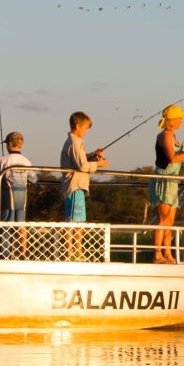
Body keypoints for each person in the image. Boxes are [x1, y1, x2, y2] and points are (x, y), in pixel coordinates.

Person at [148, 104, 184, 264]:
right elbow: (173, 158)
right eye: (180, 118)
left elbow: (178, 156)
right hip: (164, 179)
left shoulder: (172, 135)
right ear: (172, 120)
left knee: (170, 221)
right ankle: (157, 254)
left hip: (173, 180)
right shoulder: (165, 136)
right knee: (163, 219)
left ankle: (167, 253)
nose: (182, 121)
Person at [60, 111, 109, 261]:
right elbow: (82, 165)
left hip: (78, 185)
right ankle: (71, 252)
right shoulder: (75, 142)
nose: (87, 131)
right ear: (78, 126)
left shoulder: (75, 142)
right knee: (73, 220)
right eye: (86, 128)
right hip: (75, 185)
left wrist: (93, 155)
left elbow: (80, 160)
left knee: (78, 220)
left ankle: (77, 250)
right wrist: (99, 163)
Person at [0, 131, 37, 259]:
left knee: (7, 224)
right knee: (21, 225)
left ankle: (6, 254)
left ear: (8, 144)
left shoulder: (4, 160)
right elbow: (34, 179)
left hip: (9, 196)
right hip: (22, 195)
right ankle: (23, 253)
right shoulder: (26, 161)